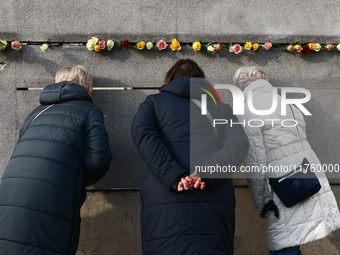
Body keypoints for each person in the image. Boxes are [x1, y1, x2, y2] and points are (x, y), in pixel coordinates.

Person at [131, 59, 249, 254]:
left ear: (169, 80)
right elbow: (238, 145)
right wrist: (204, 174)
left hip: (164, 196)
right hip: (212, 199)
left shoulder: (153, 103)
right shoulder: (221, 108)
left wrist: (175, 176)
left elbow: (142, 134)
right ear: (202, 81)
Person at [0, 65, 113, 254]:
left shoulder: (35, 113)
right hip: (54, 194)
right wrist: (75, 180)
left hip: (10, 191)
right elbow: (99, 159)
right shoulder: (89, 111)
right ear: (87, 85)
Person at [233, 66, 340, 254]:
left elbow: (255, 162)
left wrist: (261, 204)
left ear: (241, 87)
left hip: (279, 184)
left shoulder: (246, 109)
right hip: (306, 175)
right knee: (293, 238)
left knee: (284, 242)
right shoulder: (288, 104)